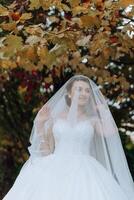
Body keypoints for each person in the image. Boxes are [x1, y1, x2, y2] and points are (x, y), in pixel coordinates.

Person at [3, 75, 134, 200]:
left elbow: (110, 132)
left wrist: (104, 112)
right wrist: (40, 125)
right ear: (69, 93)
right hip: (55, 168)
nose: (84, 93)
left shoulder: (92, 120)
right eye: (79, 89)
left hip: (85, 169)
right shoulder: (55, 118)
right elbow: (47, 150)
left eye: (87, 91)